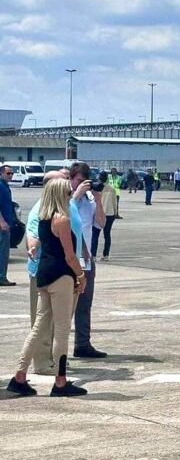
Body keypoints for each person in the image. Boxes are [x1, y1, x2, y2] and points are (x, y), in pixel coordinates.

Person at [6, 178, 88, 397]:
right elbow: (70, 256)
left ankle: (19, 375)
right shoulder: (62, 219)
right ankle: (60, 381)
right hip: (61, 276)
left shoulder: (43, 218)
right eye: (67, 191)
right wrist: (81, 276)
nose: (70, 193)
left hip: (44, 274)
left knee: (39, 326)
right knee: (61, 329)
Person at [25, 170, 75, 375]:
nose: (69, 186)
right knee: (46, 324)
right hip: (51, 271)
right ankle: (44, 364)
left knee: (54, 322)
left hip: (61, 270)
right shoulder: (43, 209)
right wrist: (32, 247)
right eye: (65, 182)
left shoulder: (65, 206)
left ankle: (55, 361)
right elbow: (33, 233)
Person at [69, 162, 108, 359]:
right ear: (71, 179)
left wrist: (99, 200)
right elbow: (63, 215)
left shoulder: (91, 200)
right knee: (63, 306)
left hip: (86, 260)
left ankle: (82, 344)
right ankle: (55, 349)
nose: (82, 185)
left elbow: (100, 223)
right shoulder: (65, 196)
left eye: (85, 182)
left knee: (85, 304)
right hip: (67, 258)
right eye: (78, 181)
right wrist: (76, 195)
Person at [91, 172, 117, 262]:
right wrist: (115, 213)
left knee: (95, 234)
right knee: (107, 235)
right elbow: (115, 202)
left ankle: (93, 255)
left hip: (99, 213)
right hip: (110, 213)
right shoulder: (111, 189)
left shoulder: (96, 188)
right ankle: (106, 255)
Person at [0, 164, 17, 286]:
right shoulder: (1, 186)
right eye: (8, 173)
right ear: (1, 173)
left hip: (7, 223)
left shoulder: (5, 187)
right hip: (2, 226)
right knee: (3, 252)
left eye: (12, 173)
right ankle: (1, 277)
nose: (10, 175)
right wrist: (2, 222)